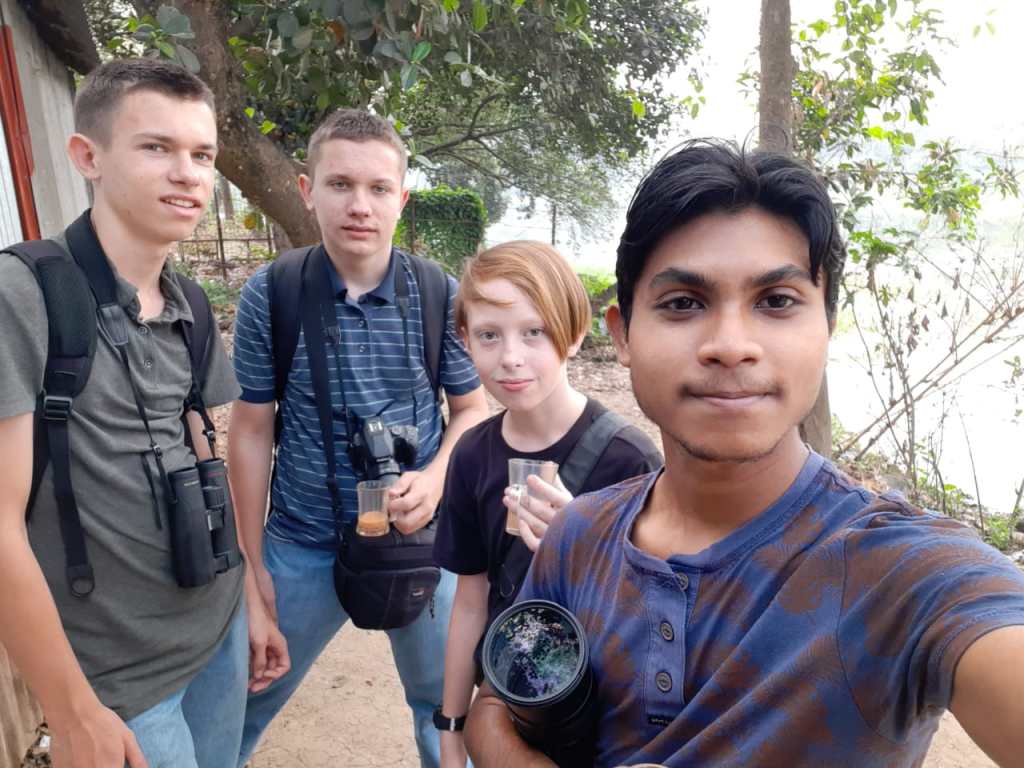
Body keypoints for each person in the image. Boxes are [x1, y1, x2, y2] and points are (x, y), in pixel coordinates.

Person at [464, 140, 1024, 768]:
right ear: (623, 336)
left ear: (826, 328)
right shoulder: (577, 534)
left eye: (776, 301)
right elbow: (494, 703)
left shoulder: (901, 574)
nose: (731, 345)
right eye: (683, 303)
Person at [0, 58, 285, 768]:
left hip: (215, 631)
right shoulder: (23, 294)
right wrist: (71, 709)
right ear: (87, 156)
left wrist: (250, 596)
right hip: (117, 677)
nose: (188, 174)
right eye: (157, 147)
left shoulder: (190, 302)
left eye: (202, 155)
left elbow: (204, 452)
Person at [230, 108, 489, 767]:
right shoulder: (273, 294)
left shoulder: (437, 293)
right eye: (340, 184)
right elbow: (252, 430)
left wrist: (435, 480)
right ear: (306, 189)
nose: (359, 206)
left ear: (402, 199)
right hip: (303, 540)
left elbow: (471, 411)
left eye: (378, 188)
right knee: (243, 700)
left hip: (421, 537)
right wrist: (252, 566)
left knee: (444, 711)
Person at [431, 240, 662, 767]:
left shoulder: (630, 460)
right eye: (489, 335)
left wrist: (584, 541)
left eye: (533, 332)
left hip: (602, 712)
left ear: (574, 334)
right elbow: (470, 600)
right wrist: (452, 726)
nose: (510, 357)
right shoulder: (472, 454)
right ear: (465, 341)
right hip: (508, 700)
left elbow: (658, 617)